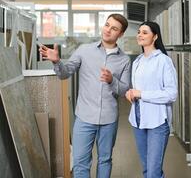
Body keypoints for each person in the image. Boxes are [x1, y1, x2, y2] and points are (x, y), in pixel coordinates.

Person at [39, 14, 131, 178]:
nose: (108, 30)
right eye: (107, 25)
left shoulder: (124, 60)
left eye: (114, 28)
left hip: (108, 119)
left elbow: (124, 90)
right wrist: (56, 62)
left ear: (121, 34)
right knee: (81, 162)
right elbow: (64, 74)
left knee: (105, 160)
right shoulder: (84, 50)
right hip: (84, 117)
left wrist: (112, 80)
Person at [125, 21, 178, 178]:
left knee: (153, 172)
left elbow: (171, 93)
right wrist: (131, 93)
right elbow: (137, 89)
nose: (140, 34)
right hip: (138, 120)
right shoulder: (137, 61)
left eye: (145, 32)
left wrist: (141, 94)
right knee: (147, 169)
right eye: (139, 32)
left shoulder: (163, 61)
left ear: (155, 37)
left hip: (157, 121)